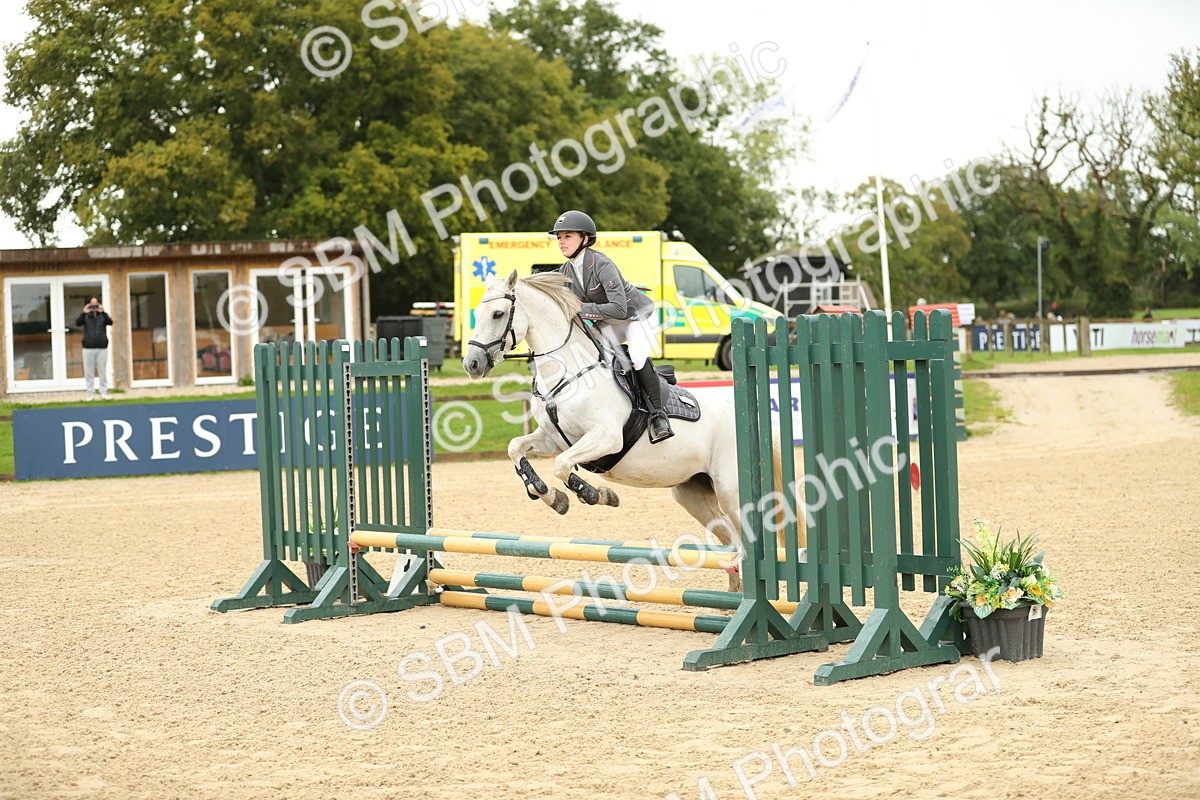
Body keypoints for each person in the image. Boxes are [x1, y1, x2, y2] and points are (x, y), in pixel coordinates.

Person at [550, 210, 673, 443]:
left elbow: (617, 308)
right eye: (559, 237)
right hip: (610, 320)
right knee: (596, 356)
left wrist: (580, 308)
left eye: (567, 236)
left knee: (636, 356)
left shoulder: (601, 263)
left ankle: (659, 415)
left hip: (637, 315)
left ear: (584, 239)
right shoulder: (565, 271)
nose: (561, 242)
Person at [76, 296, 113, 400]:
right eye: (92, 304)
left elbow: (110, 322)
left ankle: (103, 392)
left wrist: (103, 312)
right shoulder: (86, 316)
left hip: (101, 347)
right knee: (89, 372)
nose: (94, 307)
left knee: (102, 371)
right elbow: (78, 323)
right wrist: (84, 312)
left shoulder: (102, 316)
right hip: (88, 347)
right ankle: (90, 393)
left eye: (96, 304)